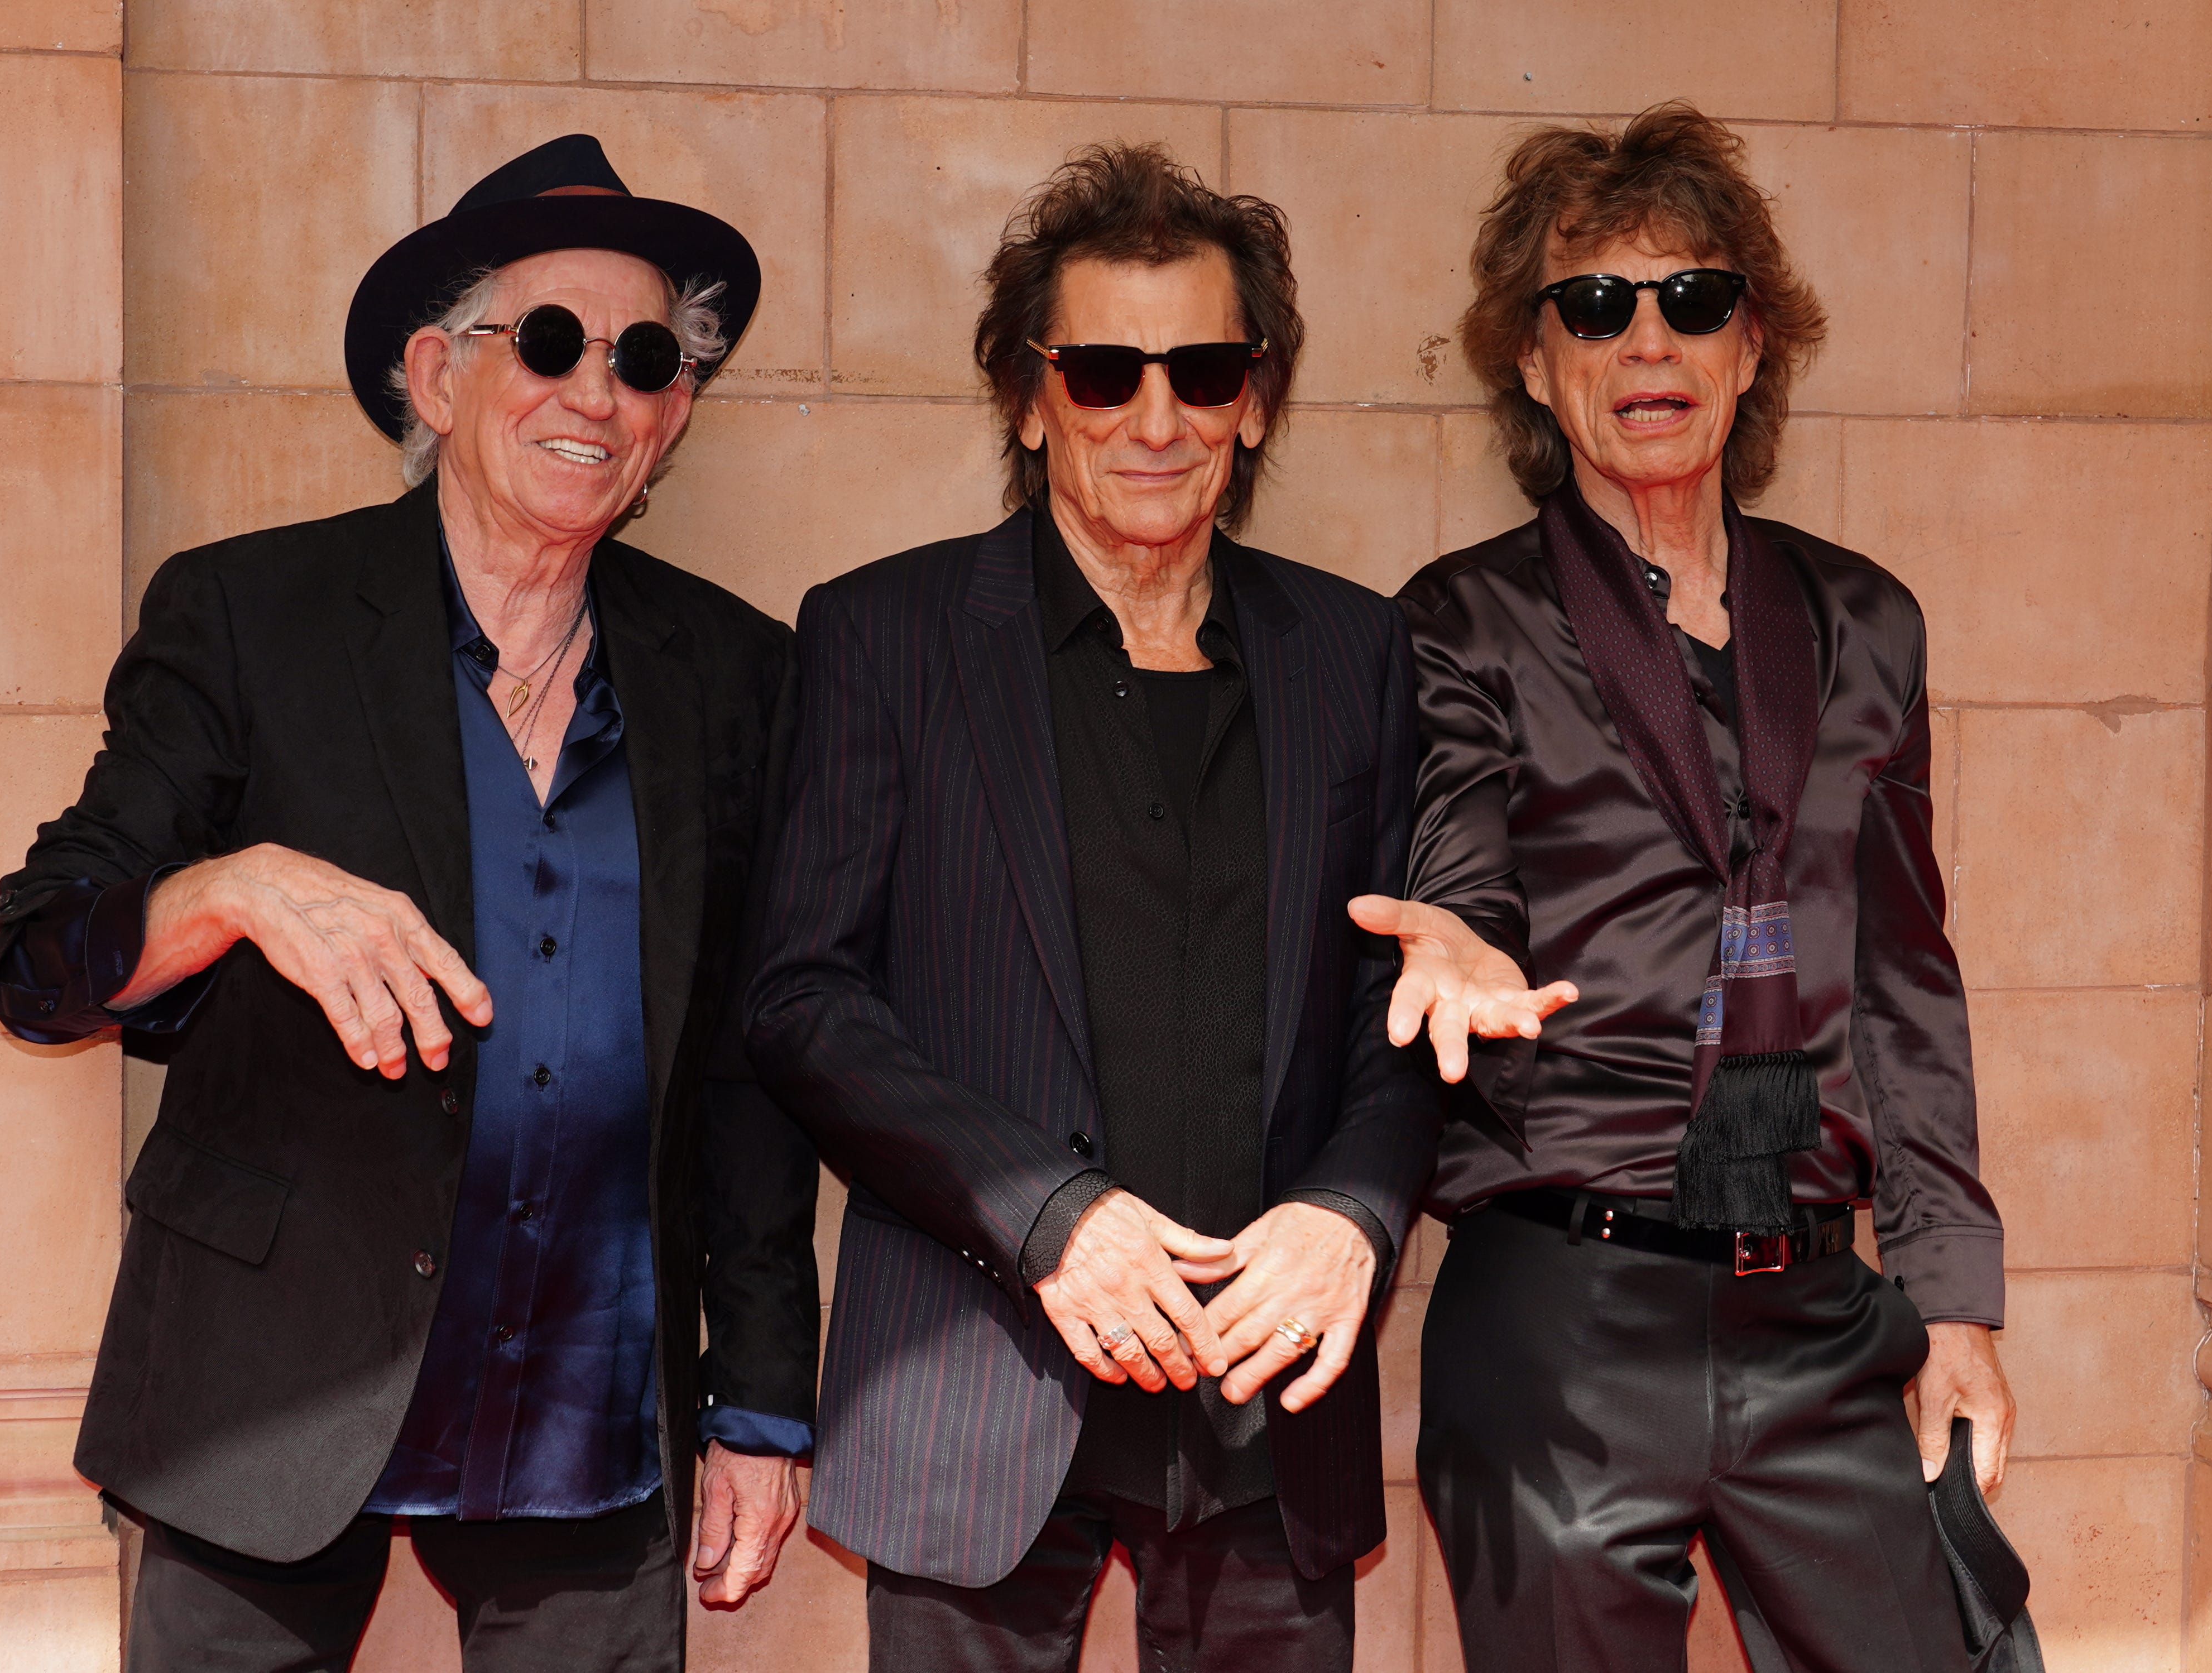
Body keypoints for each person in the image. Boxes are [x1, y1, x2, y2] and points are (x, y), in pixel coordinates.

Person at [0, 135, 819, 1672]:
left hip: (593, 1393)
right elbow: (41, 960)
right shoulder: (251, 615)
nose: (596, 394)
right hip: (274, 1388)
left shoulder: (740, 673)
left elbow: (748, 1075)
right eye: (549, 342)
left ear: (674, 416)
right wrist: (231, 892)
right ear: (436, 379)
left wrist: (759, 1401)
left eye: (643, 361)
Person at [744, 142, 1569, 1673]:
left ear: (1254, 399)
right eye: (1105, 369)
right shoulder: (882, 637)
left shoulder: (1352, 652)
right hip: (976, 1378)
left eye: (1200, 369)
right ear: (1025, 392)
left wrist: (1356, 1215)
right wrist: (1045, 1216)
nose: (1155, 415)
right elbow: (800, 1001)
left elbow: (1400, 1009)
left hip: (1271, 1413)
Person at [1352, 103, 2016, 1670]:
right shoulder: (1462, 622)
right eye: (1593, 304)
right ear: (1534, 361)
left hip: (1822, 1305)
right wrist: (1455, 940)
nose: (1645, 338)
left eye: (1690, 298)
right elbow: (1457, 852)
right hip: (1567, 1309)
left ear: (1751, 341)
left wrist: (1954, 1301)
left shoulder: (1867, 620)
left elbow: (1911, 978)